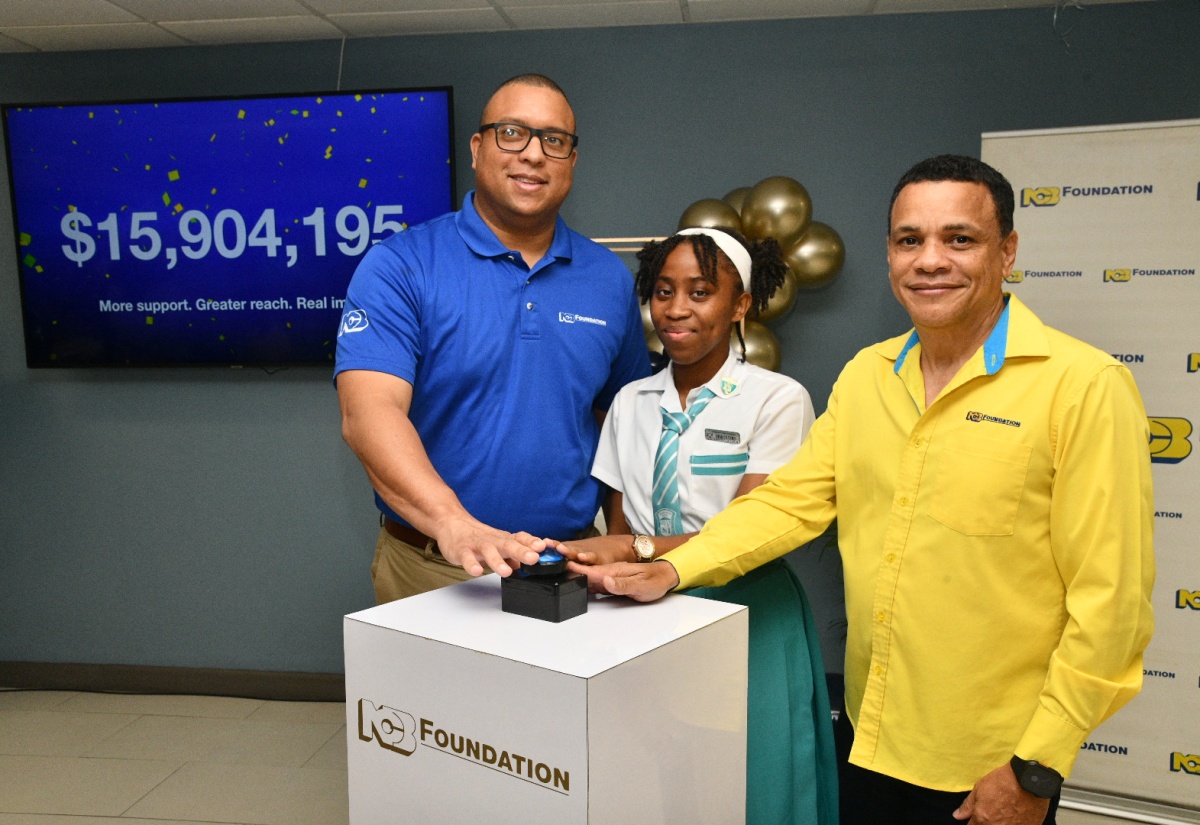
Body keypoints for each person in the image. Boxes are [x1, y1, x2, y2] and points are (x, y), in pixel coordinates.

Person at [573, 156, 1156, 825]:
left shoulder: (1083, 387)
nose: (930, 260)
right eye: (910, 239)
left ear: (1008, 251)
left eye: (959, 238)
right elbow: (787, 504)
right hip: (869, 736)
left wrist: (1036, 766)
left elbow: (1111, 605)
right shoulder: (867, 376)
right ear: (890, 254)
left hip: (987, 763)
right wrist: (668, 564)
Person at [334, 74, 649, 603]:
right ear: (478, 149)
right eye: (512, 133)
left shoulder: (608, 279)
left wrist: (621, 541)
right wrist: (453, 523)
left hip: (568, 565)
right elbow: (368, 414)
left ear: (571, 161)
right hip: (435, 566)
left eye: (554, 140)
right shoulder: (401, 266)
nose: (533, 154)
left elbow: (622, 423)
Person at [561, 226, 838, 824]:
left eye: (701, 292)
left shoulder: (777, 400)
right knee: (652, 778)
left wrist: (635, 550)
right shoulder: (630, 402)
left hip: (747, 609)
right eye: (664, 291)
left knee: (750, 781)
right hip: (642, 610)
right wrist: (619, 557)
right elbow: (619, 524)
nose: (677, 309)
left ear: (741, 305)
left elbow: (752, 526)